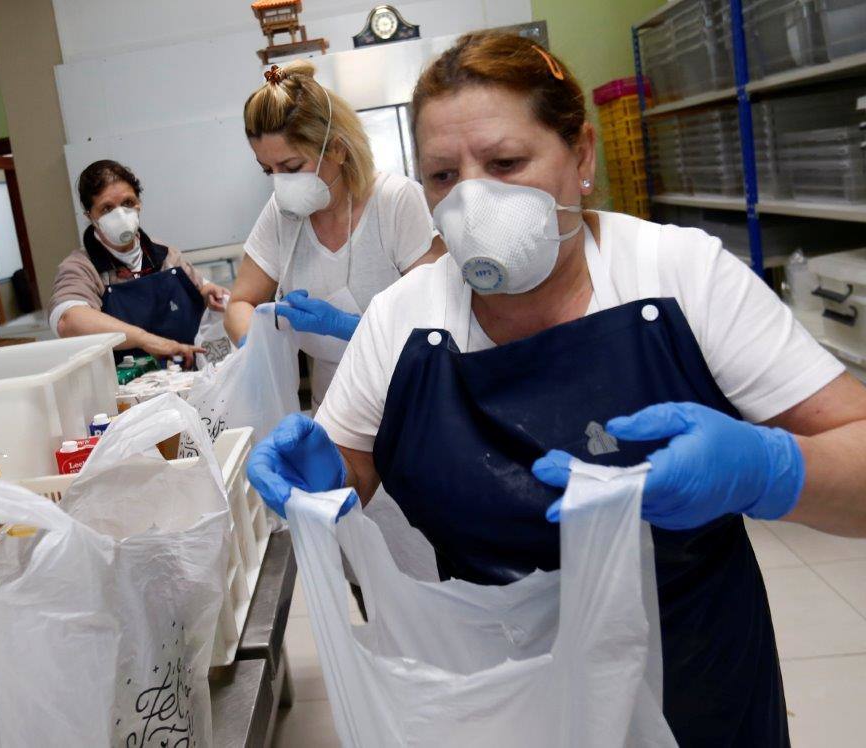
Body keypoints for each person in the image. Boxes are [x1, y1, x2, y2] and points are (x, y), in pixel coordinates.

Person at [246, 33, 866, 746]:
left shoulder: (681, 275)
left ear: (583, 156)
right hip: (502, 699)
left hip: (695, 689)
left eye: (507, 163)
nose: (474, 199)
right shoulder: (403, 318)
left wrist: (768, 469)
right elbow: (351, 461)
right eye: (444, 175)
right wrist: (326, 475)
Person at [224, 61, 444, 410]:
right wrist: (258, 347)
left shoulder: (394, 201)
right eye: (269, 170)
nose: (280, 182)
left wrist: (348, 327)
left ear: (338, 149)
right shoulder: (281, 215)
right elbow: (240, 303)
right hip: (334, 406)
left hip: (412, 395)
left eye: (292, 167)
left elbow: (440, 322)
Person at [49, 160, 229, 364]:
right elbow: (68, 320)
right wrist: (145, 340)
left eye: (127, 203)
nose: (120, 215)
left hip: (185, 376)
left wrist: (208, 292)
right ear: (90, 216)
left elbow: (198, 286)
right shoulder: (81, 267)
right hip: (125, 387)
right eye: (106, 209)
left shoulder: (163, 253)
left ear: (139, 203)